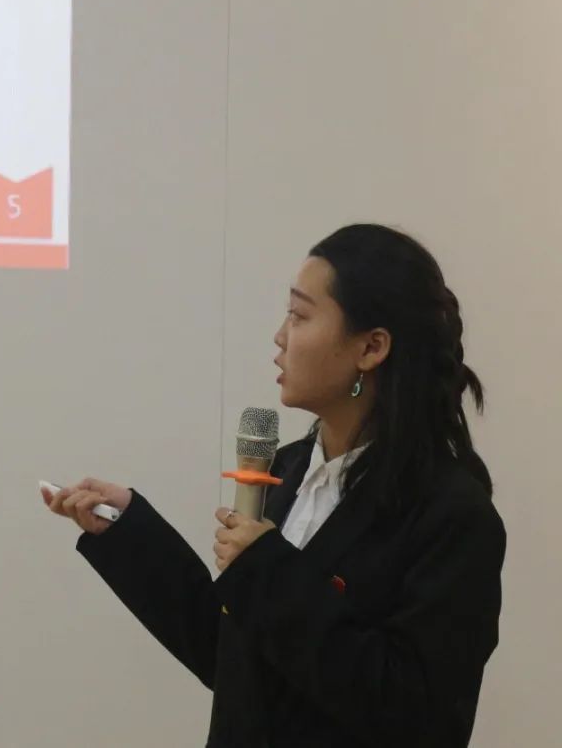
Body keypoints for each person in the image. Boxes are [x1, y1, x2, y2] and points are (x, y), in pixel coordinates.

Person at [41, 224, 506, 747]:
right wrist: (128, 531)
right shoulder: (285, 470)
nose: (280, 337)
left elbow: (415, 715)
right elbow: (235, 661)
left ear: (371, 347)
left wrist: (267, 570)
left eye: (300, 315)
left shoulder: (452, 515)